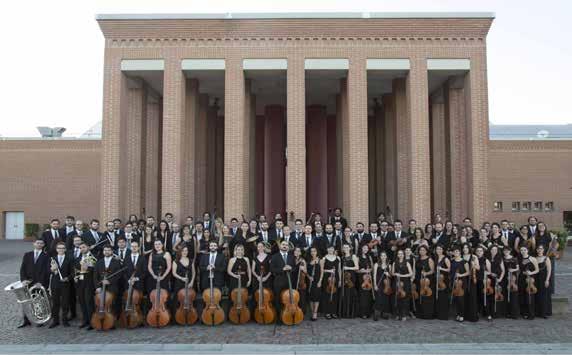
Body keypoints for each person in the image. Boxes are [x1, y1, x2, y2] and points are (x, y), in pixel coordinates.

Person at [18, 239, 50, 328]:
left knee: (39, 302)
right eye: (37, 243)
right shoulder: (27, 254)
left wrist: (41, 282)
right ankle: (26, 320)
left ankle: (40, 320)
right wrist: (23, 280)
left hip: (39, 283)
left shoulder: (46, 256)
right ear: (34, 244)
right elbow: (22, 268)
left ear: (43, 245)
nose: (39, 244)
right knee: (26, 302)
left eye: (41, 243)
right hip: (27, 283)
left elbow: (46, 271)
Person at [49, 242, 73, 328]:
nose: (61, 250)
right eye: (59, 248)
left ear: (65, 249)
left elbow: (73, 272)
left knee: (65, 303)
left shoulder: (69, 259)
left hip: (65, 284)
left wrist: (68, 278)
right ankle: (55, 321)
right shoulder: (52, 259)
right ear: (56, 249)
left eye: (63, 248)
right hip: (55, 284)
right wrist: (52, 270)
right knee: (55, 303)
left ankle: (65, 320)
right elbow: (48, 272)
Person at [270, 240, 296, 320]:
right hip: (278, 282)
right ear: (280, 246)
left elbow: (295, 268)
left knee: (288, 300)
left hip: (289, 282)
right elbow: (272, 269)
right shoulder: (274, 256)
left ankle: (287, 316)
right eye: (283, 244)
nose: (285, 246)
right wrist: (282, 269)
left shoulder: (292, 257)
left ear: (288, 247)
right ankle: (279, 318)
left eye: (286, 245)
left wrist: (291, 268)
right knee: (278, 299)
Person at [75, 241, 96, 330]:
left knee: (89, 303)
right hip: (80, 283)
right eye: (80, 248)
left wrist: (89, 268)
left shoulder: (93, 258)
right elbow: (75, 270)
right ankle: (85, 320)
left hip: (89, 283)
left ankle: (92, 322)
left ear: (88, 247)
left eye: (83, 247)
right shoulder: (78, 258)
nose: (82, 249)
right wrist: (75, 276)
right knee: (82, 302)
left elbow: (96, 271)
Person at [172, 245, 196, 315]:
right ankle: (178, 316)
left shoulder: (191, 261)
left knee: (190, 299)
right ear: (180, 252)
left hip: (189, 283)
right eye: (183, 251)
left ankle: (191, 315)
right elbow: (174, 273)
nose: (185, 252)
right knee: (178, 300)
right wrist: (181, 278)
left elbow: (194, 272)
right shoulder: (176, 261)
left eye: (186, 251)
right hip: (179, 283)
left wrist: (192, 282)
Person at [319, 244, 341, 319]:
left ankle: (333, 312)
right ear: (327, 249)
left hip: (335, 278)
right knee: (327, 295)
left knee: (335, 295)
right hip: (327, 278)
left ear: (334, 249)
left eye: (332, 248)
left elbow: (339, 270)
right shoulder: (324, 258)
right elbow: (321, 270)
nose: (331, 250)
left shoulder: (338, 258)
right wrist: (329, 270)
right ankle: (327, 312)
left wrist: (340, 280)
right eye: (329, 248)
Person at [392, 249, 413, 321]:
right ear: (397, 255)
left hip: (405, 282)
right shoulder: (395, 263)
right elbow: (392, 273)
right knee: (397, 298)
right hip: (397, 282)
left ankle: (404, 314)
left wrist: (402, 276)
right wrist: (396, 274)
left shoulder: (407, 263)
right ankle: (397, 314)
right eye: (399, 254)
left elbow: (411, 273)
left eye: (401, 254)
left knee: (405, 299)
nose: (400, 255)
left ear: (403, 255)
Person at [519, 246, 539, 319]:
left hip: (530, 279)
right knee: (523, 297)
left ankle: (531, 314)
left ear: (527, 250)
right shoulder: (520, 259)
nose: (523, 251)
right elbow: (519, 269)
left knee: (530, 297)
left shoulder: (532, 259)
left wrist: (531, 273)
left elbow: (537, 270)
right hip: (521, 279)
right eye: (521, 250)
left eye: (524, 250)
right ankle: (525, 313)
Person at [415, 245, 435, 319]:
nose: (421, 251)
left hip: (427, 281)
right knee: (420, 297)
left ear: (426, 251)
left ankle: (427, 314)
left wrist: (426, 273)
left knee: (427, 297)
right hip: (418, 280)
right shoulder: (418, 259)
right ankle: (420, 314)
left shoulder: (429, 259)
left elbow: (432, 271)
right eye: (420, 250)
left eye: (423, 250)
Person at [450, 247, 469, 322]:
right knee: (456, 299)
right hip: (454, 282)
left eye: (457, 251)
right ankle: (458, 314)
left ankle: (462, 315)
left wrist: (460, 275)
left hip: (462, 282)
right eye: (455, 251)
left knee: (461, 300)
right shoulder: (452, 261)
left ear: (460, 252)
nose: (456, 252)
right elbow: (451, 272)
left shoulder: (464, 261)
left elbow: (468, 272)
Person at [373, 251, 392, 320]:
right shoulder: (376, 264)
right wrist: (375, 285)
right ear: (380, 257)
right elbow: (374, 275)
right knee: (378, 298)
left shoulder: (389, 265)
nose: (383, 257)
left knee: (385, 299)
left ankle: (385, 314)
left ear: (386, 257)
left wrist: (388, 274)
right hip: (379, 283)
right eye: (382, 256)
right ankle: (377, 314)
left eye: (384, 256)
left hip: (386, 284)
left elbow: (391, 276)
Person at [534, 244, 552, 318]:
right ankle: (538, 312)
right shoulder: (534, 258)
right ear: (536, 250)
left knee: (544, 296)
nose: (539, 250)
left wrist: (547, 280)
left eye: (541, 249)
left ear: (543, 250)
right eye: (538, 248)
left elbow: (549, 270)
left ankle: (544, 312)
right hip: (536, 279)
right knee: (537, 295)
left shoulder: (546, 258)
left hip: (544, 278)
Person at [357, 244, 374, 319]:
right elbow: (356, 270)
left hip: (368, 278)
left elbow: (372, 268)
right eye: (364, 248)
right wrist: (361, 271)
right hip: (361, 278)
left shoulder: (369, 257)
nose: (365, 249)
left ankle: (368, 313)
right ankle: (362, 313)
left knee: (368, 296)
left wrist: (369, 270)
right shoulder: (358, 257)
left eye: (366, 248)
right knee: (362, 296)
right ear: (361, 249)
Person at [434, 245, 451, 320]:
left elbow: (449, 269)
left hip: (444, 280)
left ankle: (444, 315)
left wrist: (441, 268)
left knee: (443, 297)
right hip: (437, 279)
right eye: (437, 249)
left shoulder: (446, 258)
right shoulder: (436, 258)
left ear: (443, 250)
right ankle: (438, 314)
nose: (439, 250)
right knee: (438, 297)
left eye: (440, 249)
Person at [306, 247, 321, 321]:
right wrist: (309, 277)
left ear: (317, 252)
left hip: (317, 281)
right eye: (311, 251)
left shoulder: (320, 260)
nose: (313, 252)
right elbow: (306, 272)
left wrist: (320, 281)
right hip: (310, 281)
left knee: (316, 297)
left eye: (314, 251)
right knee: (311, 298)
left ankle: (315, 313)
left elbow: (322, 272)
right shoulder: (309, 260)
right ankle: (312, 312)